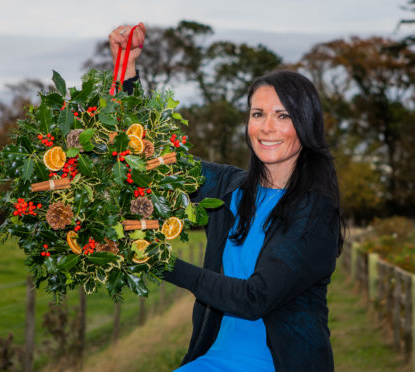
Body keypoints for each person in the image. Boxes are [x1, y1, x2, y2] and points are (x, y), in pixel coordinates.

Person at [109, 24, 346, 372]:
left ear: (306, 125)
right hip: (214, 359)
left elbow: (254, 298)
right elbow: (155, 156)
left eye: (283, 116)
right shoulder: (230, 189)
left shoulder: (315, 211)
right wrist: (127, 68)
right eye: (258, 114)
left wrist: (155, 260)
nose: (267, 127)